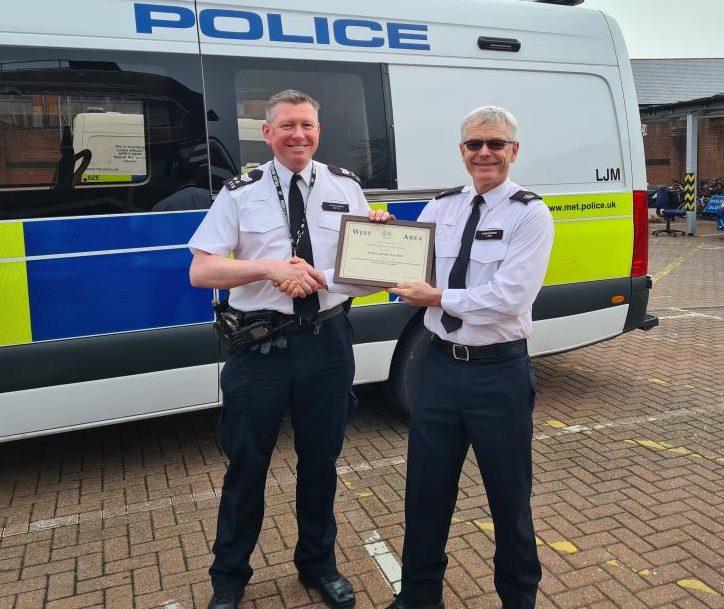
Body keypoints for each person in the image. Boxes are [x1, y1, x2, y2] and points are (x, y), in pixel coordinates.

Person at [188, 89, 390, 609]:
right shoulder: (241, 191)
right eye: (287, 126)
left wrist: (383, 251)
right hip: (260, 347)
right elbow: (201, 269)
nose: (298, 135)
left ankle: (318, 565)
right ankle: (228, 577)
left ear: (318, 131)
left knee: (321, 461)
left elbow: (368, 279)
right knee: (246, 465)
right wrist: (268, 268)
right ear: (268, 133)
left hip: (327, 341)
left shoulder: (346, 187)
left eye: (307, 125)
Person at [386, 106, 554, 609]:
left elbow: (509, 297)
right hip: (437, 368)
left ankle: (518, 599)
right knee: (425, 492)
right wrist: (380, 232)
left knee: (509, 499)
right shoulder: (442, 208)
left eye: (495, 144)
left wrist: (438, 298)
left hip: (498, 373)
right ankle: (419, 596)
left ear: (513, 151)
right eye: (474, 144)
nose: (485, 152)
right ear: (461, 152)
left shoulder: (530, 213)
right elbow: (406, 262)